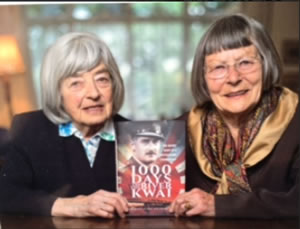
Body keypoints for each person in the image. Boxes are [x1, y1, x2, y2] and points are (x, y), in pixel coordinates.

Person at [169, 13, 299, 218]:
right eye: (219, 68)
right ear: (203, 77)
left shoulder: (295, 121)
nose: (234, 78)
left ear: (266, 64)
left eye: (245, 63)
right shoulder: (177, 131)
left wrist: (219, 205)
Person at [0, 32, 130, 218]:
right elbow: (5, 194)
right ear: (57, 91)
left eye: (102, 79)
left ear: (114, 84)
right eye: (76, 83)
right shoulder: (30, 129)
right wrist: (66, 205)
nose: (93, 93)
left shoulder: (138, 135)